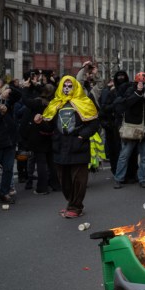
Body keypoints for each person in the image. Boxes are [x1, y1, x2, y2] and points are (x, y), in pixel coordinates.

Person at [36, 75, 99, 218]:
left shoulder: (85, 102)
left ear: (75, 87)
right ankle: (70, 203)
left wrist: (81, 136)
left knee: (78, 180)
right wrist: (40, 122)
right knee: (63, 180)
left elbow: (94, 124)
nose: (66, 88)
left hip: (78, 147)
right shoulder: (55, 104)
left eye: (70, 86)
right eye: (64, 86)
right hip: (60, 147)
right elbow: (50, 127)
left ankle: (76, 207)